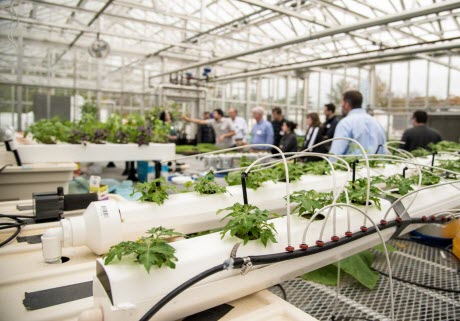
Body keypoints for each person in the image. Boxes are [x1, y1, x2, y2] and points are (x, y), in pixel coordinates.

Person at [329, 90, 387, 155]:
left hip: (350, 165)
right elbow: (384, 151)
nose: (341, 106)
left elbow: (335, 154)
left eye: (342, 103)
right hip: (377, 164)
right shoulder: (377, 124)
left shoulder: (345, 124)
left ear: (347, 104)